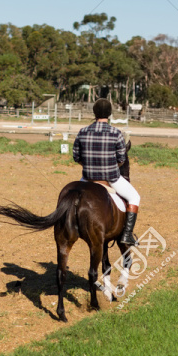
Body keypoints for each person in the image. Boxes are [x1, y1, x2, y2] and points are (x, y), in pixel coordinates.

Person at [73, 98, 140, 246]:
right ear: (109, 114)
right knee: (135, 197)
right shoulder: (116, 133)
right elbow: (121, 159)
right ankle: (127, 235)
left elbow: (76, 157)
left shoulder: (82, 132)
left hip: (87, 178)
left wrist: (89, 165)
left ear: (94, 113)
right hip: (111, 178)